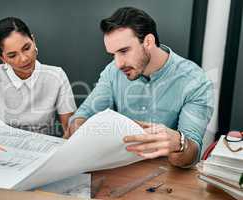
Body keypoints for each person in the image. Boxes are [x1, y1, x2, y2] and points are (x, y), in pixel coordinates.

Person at [68, 7, 214, 167]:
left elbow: (191, 156)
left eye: (124, 51)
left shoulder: (195, 81)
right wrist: (80, 128)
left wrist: (179, 144)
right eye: (113, 54)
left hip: (165, 175)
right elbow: (82, 116)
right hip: (118, 168)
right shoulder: (113, 71)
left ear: (148, 42)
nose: (118, 64)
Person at [0, 17, 76, 157]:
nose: (24, 59)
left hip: (38, 154)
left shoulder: (56, 76)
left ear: (33, 40)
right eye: (12, 55)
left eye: (27, 48)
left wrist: (61, 152)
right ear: (2, 57)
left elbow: (70, 127)